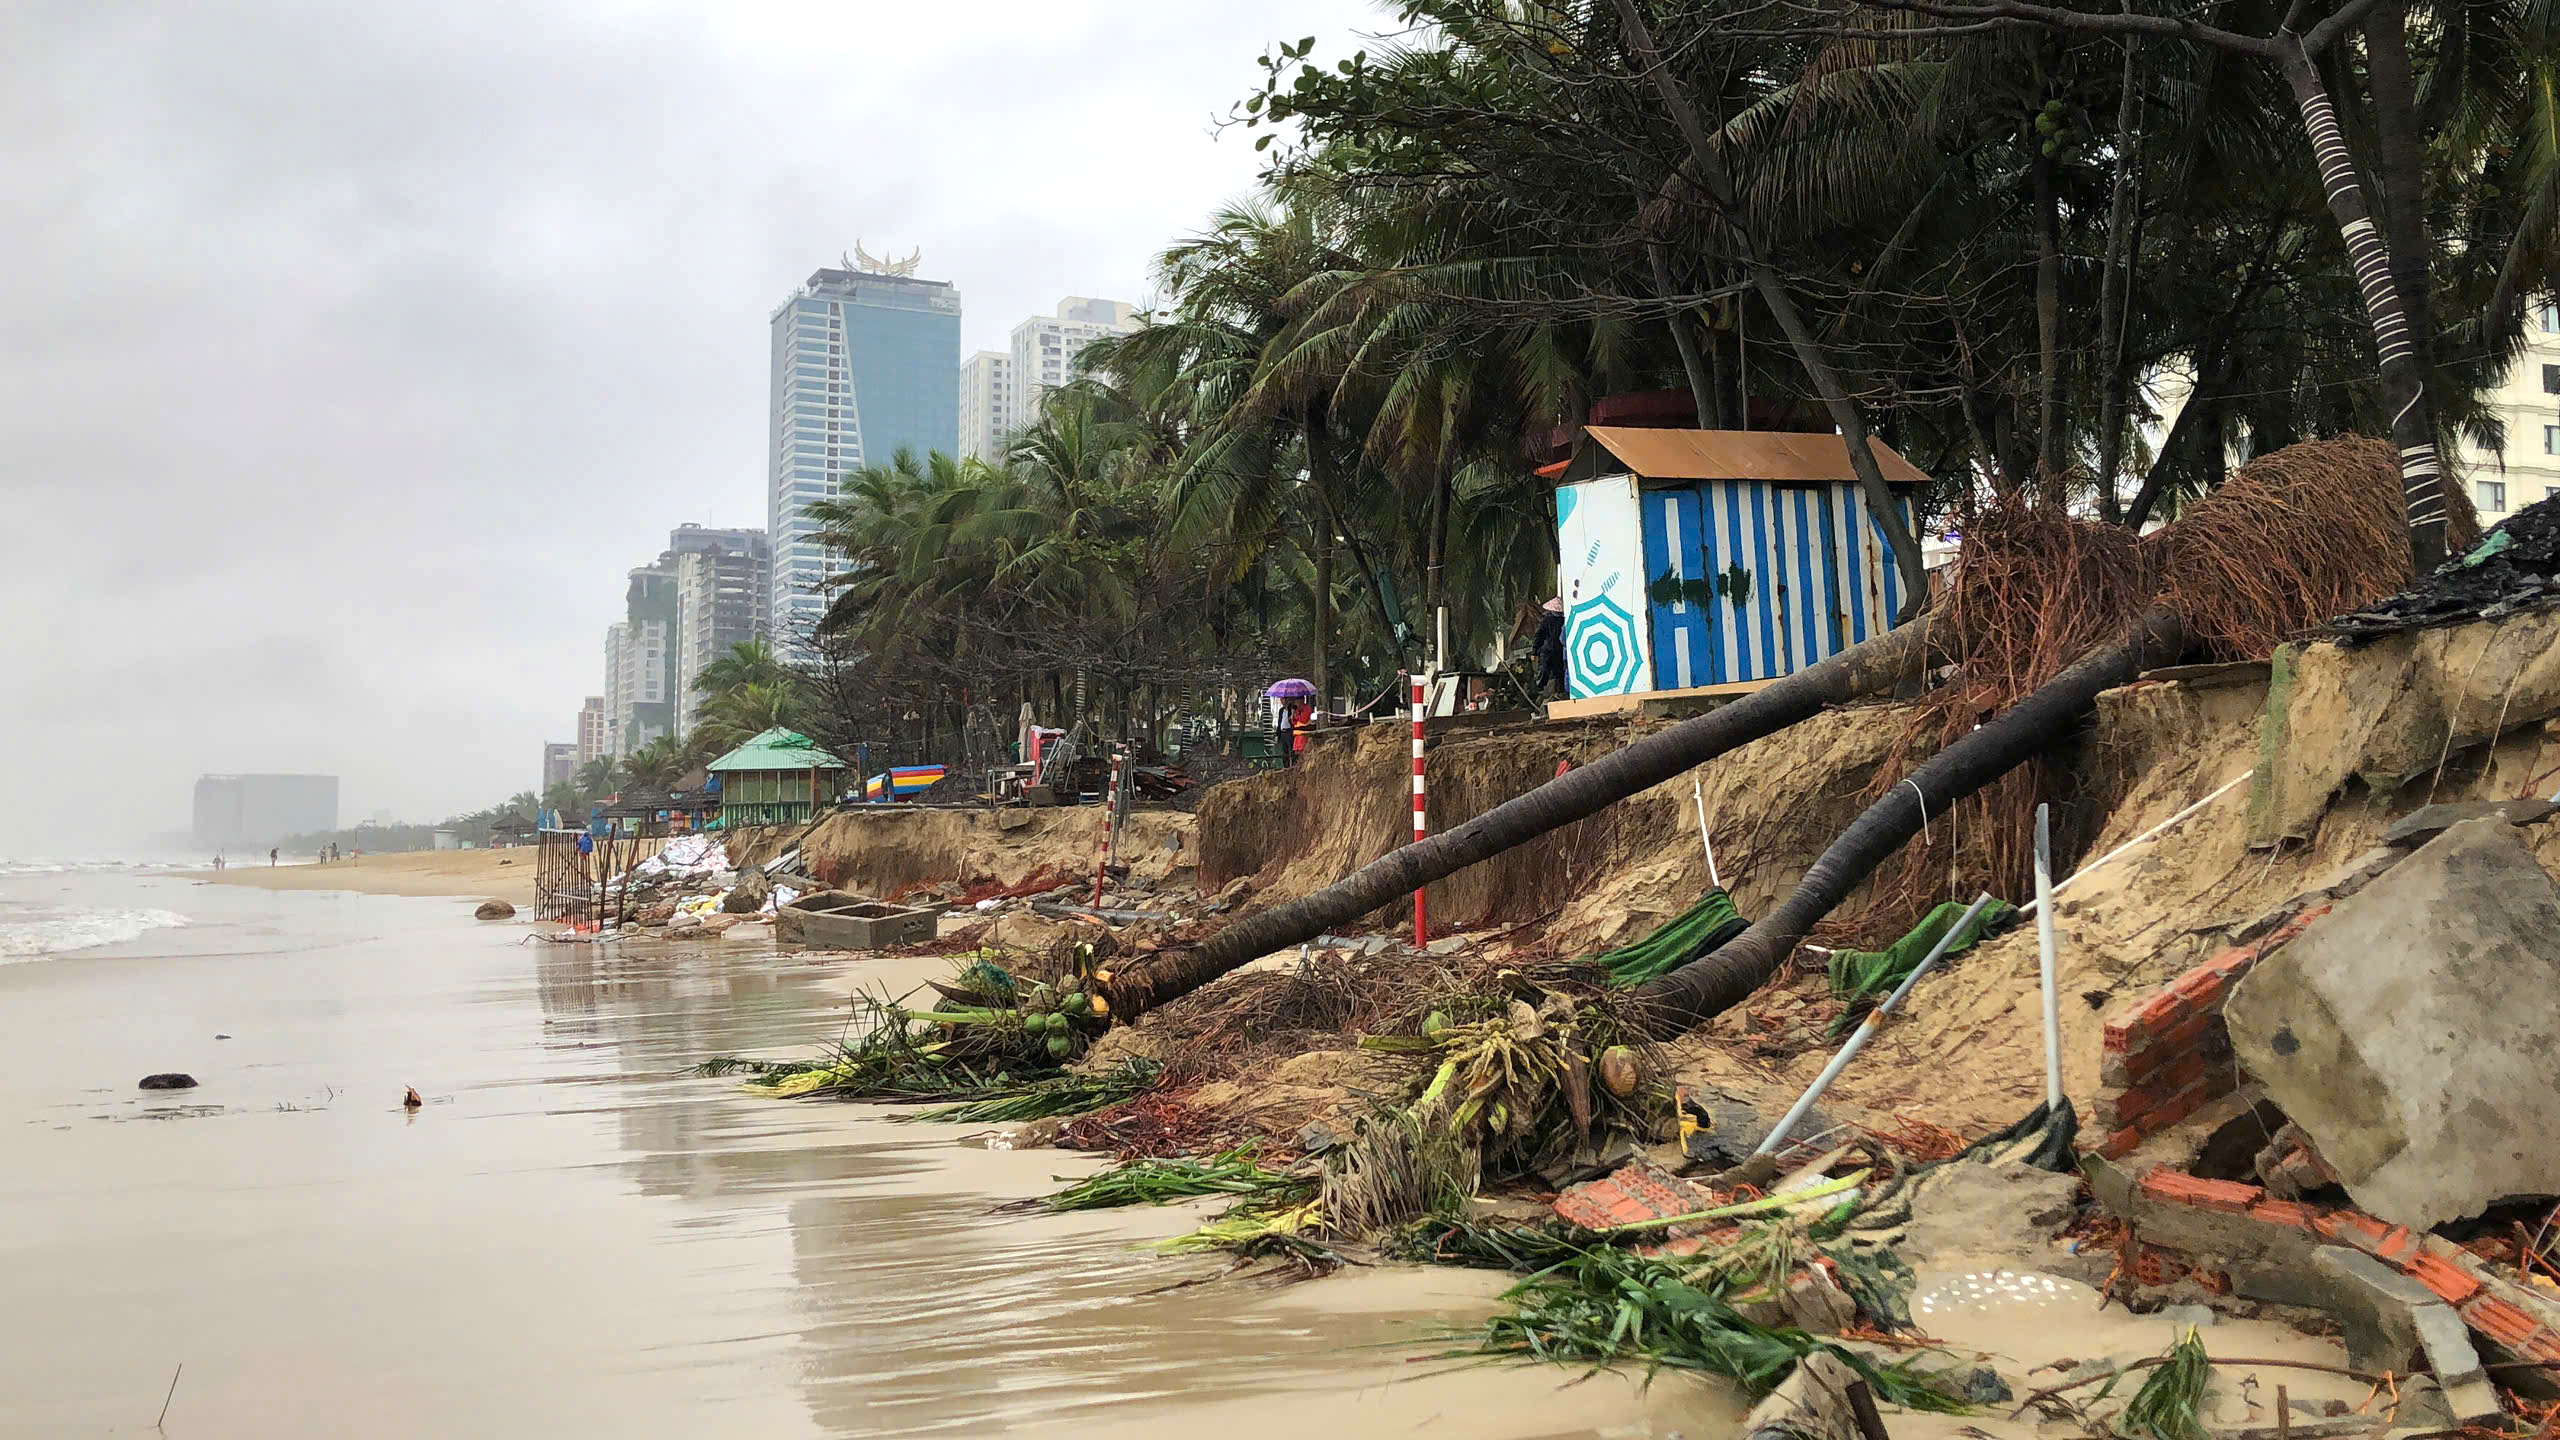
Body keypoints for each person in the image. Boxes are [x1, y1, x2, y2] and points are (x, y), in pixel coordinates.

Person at [1534, 597, 1568, 699]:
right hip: (1549, 650)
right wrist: (1534, 651)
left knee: (1558, 674)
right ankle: (1543, 691)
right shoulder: (1546, 620)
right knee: (1545, 672)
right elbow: (1539, 636)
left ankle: (1557, 692)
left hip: (1557, 651)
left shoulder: (1563, 620)